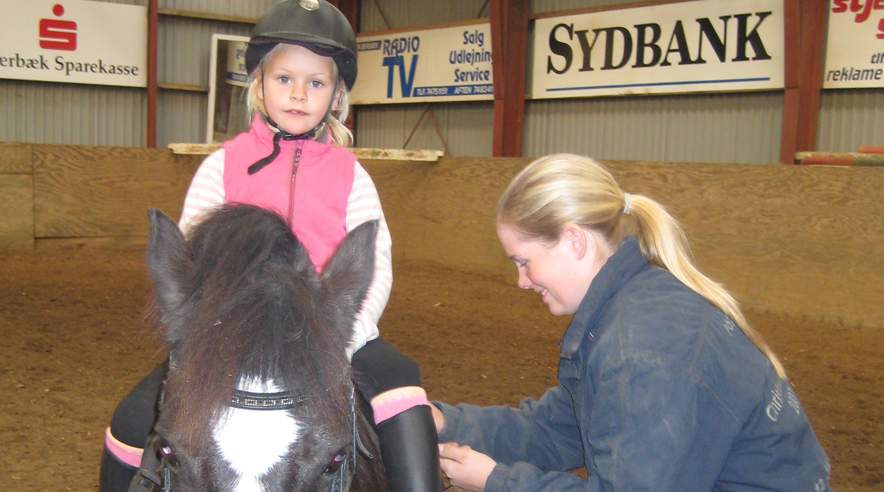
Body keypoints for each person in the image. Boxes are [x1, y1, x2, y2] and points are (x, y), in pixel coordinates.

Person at [99, 2, 441, 491]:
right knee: (132, 420)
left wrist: (339, 336)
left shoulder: (352, 176)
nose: (299, 94)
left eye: (316, 83)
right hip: (228, 339)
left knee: (403, 392)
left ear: (337, 93)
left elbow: (375, 265)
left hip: (328, 332)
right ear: (259, 84)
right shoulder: (222, 165)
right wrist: (206, 337)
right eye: (284, 79)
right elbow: (194, 263)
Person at [431, 154, 832, 491]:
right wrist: (448, 422)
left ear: (575, 241)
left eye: (524, 261)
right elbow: (557, 428)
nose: (521, 280)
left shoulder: (641, 348)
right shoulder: (631, 306)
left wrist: (496, 481)